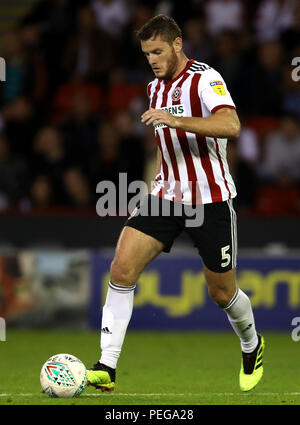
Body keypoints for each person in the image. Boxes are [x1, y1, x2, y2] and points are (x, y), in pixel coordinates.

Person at [87, 14, 265, 393]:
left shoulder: (207, 78)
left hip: (211, 198)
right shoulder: (154, 88)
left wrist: (177, 120)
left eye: (157, 50)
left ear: (177, 45)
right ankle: (106, 366)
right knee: (120, 269)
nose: (151, 59)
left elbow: (231, 125)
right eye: (146, 53)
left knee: (221, 293)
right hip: (165, 195)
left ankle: (251, 344)